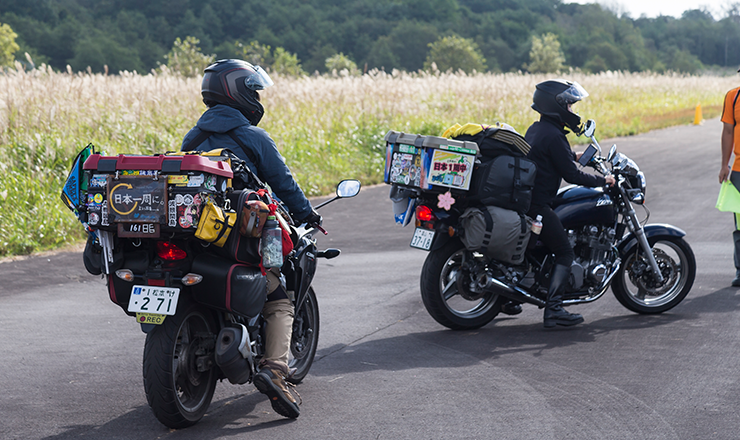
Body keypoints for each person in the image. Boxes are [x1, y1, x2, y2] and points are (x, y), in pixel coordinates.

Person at [181, 59, 321, 418]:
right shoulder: (253, 137)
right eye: (254, 90)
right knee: (277, 296)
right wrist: (308, 214)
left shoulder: (192, 138)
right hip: (241, 241)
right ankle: (275, 369)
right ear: (239, 93)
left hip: (197, 240)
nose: (257, 97)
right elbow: (284, 183)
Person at [524, 79, 615, 328]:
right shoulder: (554, 135)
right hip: (538, 204)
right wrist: (603, 181)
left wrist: (572, 155)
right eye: (571, 106)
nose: (574, 111)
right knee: (565, 252)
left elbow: (545, 156)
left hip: (528, 200)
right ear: (559, 106)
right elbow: (572, 176)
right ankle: (553, 310)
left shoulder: (537, 129)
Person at [718, 69, 740, 286]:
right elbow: (727, 131)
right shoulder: (733, 97)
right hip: (739, 170)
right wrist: (724, 164)